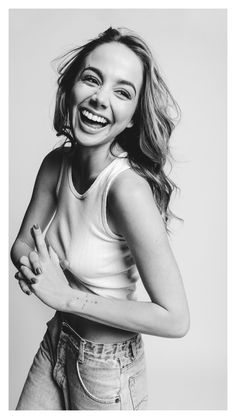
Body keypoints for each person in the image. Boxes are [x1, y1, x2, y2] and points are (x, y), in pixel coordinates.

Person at [10, 27, 190, 410]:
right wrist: (35, 268)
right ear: (71, 87)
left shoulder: (126, 190)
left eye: (122, 92)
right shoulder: (55, 163)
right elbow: (23, 245)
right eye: (92, 79)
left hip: (107, 370)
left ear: (131, 119)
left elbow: (175, 319)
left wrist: (66, 295)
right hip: (57, 339)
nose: (100, 98)